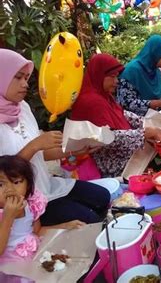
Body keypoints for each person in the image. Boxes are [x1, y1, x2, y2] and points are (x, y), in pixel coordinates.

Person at [0, 49, 110, 226]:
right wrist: (34, 146)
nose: (25, 84)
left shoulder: (22, 108)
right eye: (18, 77)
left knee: (103, 197)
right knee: (91, 220)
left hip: (46, 185)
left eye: (26, 78)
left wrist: (72, 150)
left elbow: (40, 155)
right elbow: (3, 176)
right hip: (23, 203)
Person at [71, 54, 161, 177]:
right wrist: (144, 133)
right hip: (111, 164)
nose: (116, 81)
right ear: (99, 75)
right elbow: (105, 137)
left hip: (123, 152)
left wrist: (148, 125)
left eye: (116, 76)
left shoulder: (103, 95)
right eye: (112, 77)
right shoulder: (90, 101)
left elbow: (121, 114)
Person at [0, 156, 86, 262]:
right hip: (9, 263)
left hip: (31, 251)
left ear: (28, 184)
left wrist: (65, 226)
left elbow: (38, 231)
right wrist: (8, 217)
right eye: (0, 185)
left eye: (16, 182)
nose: (10, 190)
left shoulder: (31, 203)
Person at [117, 35, 161, 116]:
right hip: (135, 121)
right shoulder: (132, 71)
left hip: (156, 118)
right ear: (155, 54)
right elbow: (126, 103)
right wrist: (153, 103)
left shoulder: (155, 71)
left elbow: (159, 98)